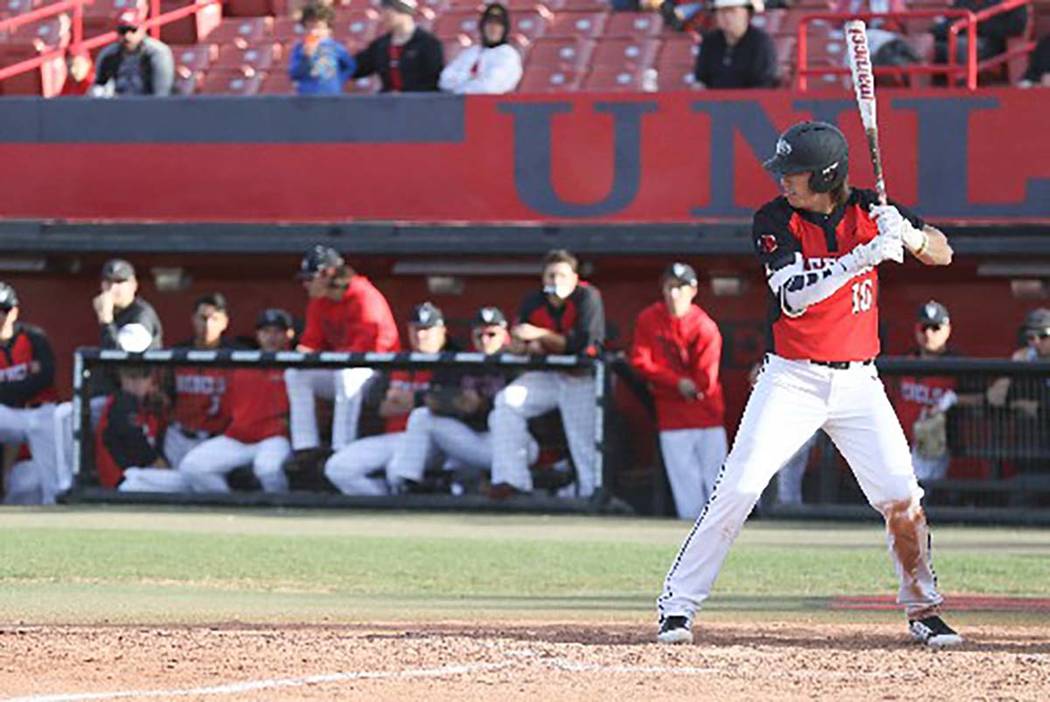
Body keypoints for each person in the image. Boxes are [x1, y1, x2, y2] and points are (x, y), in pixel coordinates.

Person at [656, 120, 962, 648]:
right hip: (791, 378)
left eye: (793, 174)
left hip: (859, 382)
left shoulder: (871, 209)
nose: (783, 181)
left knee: (901, 497)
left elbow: (944, 252)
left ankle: (923, 609)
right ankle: (677, 607)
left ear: (825, 175)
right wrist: (861, 257)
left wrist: (908, 234)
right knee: (738, 490)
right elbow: (794, 295)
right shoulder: (774, 219)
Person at [488, 249, 605, 499]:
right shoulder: (533, 301)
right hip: (548, 375)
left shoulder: (588, 297)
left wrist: (540, 336)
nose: (556, 281)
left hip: (580, 378)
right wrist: (522, 345)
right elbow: (523, 341)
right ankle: (513, 482)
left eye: (563, 276)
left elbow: (581, 345)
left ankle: (589, 496)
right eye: (551, 275)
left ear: (575, 278)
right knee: (506, 402)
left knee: (583, 442)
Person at [386, 306, 536, 493]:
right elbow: (433, 397)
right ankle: (406, 484)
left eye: (491, 334)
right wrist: (456, 402)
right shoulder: (462, 361)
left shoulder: (515, 364)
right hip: (473, 440)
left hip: (514, 445)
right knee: (421, 416)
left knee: (500, 416)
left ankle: (510, 487)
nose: (485, 340)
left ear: (503, 333)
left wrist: (482, 404)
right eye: (479, 335)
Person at [283, 245, 400, 473]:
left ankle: (341, 448)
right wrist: (303, 353)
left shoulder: (364, 296)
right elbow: (311, 342)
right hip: (340, 368)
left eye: (309, 278)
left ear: (327, 274)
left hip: (378, 373)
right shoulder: (319, 301)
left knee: (347, 374)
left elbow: (364, 352)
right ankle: (305, 446)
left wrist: (323, 357)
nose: (305, 284)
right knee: (295, 373)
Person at [629, 263, 727, 520]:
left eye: (680, 287)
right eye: (670, 287)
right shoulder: (649, 318)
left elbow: (705, 382)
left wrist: (678, 385)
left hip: (707, 415)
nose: (674, 294)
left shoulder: (705, 326)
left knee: (718, 485)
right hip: (671, 415)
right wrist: (676, 383)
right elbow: (641, 361)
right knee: (687, 491)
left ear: (693, 290)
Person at [325, 302, 449, 495]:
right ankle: (382, 503)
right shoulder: (399, 361)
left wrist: (411, 401)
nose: (420, 335)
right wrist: (418, 401)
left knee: (397, 474)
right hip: (392, 436)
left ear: (441, 331)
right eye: (416, 329)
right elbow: (380, 407)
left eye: (427, 329)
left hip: (430, 442)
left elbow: (446, 405)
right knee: (338, 467)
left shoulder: (451, 363)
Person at [179, 309, 296, 494]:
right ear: (258, 335)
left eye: (277, 331)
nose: (271, 337)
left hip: (275, 438)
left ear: (289, 334)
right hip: (239, 437)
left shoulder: (297, 365)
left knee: (268, 470)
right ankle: (230, 509)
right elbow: (227, 408)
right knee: (192, 466)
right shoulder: (243, 365)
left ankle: (281, 512)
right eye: (266, 332)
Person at [893, 301, 980, 483]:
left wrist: (954, 399)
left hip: (938, 447)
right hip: (901, 445)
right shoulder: (906, 361)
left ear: (947, 330)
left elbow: (983, 398)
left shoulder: (958, 364)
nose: (929, 334)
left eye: (935, 328)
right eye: (924, 328)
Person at [0, 283, 62, 505]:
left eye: (3, 310)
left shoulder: (34, 337)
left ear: (14, 312)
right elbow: (31, 382)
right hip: (7, 415)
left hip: (38, 414)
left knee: (37, 479)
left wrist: (10, 392)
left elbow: (44, 377)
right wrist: (24, 383)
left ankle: (54, 503)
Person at [164, 294, 234, 470]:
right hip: (179, 435)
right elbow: (165, 394)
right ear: (193, 320)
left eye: (214, 319)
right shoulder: (178, 354)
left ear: (224, 322)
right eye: (202, 319)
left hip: (216, 438)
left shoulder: (235, 357)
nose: (208, 325)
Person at [95, 365, 187, 493]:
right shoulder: (121, 403)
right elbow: (137, 446)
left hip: (140, 476)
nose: (135, 384)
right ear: (121, 379)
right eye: (131, 377)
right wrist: (162, 466)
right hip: (125, 480)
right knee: (188, 482)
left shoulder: (147, 407)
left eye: (143, 377)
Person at [352, 0, 444, 92]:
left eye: (387, 12)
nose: (382, 17)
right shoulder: (380, 46)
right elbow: (356, 67)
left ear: (402, 11)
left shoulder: (428, 44)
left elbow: (434, 79)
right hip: (387, 103)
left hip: (419, 102)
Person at [439, 3, 522, 95]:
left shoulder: (508, 55)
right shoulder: (471, 52)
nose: (493, 28)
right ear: (482, 26)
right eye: (489, 23)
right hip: (460, 104)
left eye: (498, 24)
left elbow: (489, 87)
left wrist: (461, 85)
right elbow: (445, 81)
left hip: (490, 106)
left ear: (505, 29)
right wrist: (469, 81)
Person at [693, 0, 778, 90]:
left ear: (746, 13)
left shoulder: (761, 42)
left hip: (751, 102)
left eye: (732, 11)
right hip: (712, 102)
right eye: (721, 11)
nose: (726, 16)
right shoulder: (709, 42)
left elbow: (764, 83)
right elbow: (701, 79)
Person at [91, 10, 174, 97]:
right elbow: (99, 87)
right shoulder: (108, 55)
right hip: (117, 106)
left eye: (133, 30)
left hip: (148, 105)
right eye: (123, 31)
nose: (127, 36)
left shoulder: (157, 53)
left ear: (142, 30)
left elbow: (162, 93)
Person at [94, 258, 163, 353]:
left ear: (133, 285)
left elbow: (119, 355)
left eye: (119, 282)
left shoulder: (141, 314)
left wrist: (106, 321)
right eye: (108, 282)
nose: (113, 288)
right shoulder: (114, 312)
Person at [932, 0, 1027, 68]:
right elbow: (950, 21)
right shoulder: (963, 2)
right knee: (927, 45)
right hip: (958, 38)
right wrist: (931, 33)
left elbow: (1017, 25)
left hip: (991, 43)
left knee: (961, 46)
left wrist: (979, 26)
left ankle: (963, 90)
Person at [289, 3, 356, 95]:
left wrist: (338, 81)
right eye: (309, 27)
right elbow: (294, 74)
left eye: (318, 28)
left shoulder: (336, 48)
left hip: (331, 99)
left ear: (329, 29)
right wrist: (306, 58)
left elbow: (350, 66)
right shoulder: (300, 48)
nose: (313, 32)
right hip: (307, 100)